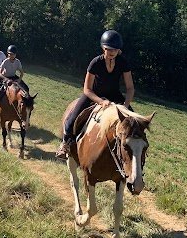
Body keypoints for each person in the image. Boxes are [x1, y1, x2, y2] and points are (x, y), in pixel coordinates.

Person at [55, 30, 134, 160]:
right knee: (71, 120)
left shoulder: (123, 62)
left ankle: (134, 155)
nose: (112, 52)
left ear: (119, 50)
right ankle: (65, 145)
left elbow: (130, 88)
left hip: (115, 95)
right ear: (103, 48)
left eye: (115, 49)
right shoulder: (95, 62)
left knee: (134, 124)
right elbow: (87, 89)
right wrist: (100, 101)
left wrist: (126, 105)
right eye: (109, 49)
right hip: (94, 94)